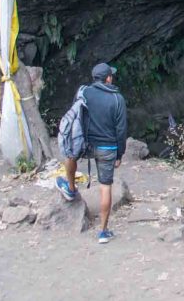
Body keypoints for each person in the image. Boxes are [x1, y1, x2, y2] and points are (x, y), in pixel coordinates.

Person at [56, 62, 128, 244]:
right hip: (108, 148)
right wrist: (120, 154)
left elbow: (78, 115)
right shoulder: (117, 99)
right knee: (105, 186)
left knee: (70, 154)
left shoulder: (84, 92)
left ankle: (71, 189)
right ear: (109, 78)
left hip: (86, 144)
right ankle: (103, 232)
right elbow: (121, 130)